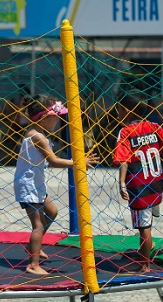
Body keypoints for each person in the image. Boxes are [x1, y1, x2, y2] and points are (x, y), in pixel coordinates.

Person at [14, 95, 99, 275]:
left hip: (35, 184)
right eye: (55, 116)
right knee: (37, 225)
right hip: (28, 186)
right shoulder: (37, 137)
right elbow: (53, 161)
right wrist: (78, 162)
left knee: (52, 212)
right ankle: (33, 264)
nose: (58, 119)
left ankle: (33, 246)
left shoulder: (38, 133)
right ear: (44, 117)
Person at [113, 94, 163, 272]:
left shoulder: (125, 132)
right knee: (148, 218)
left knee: (144, 227)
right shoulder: (154, 127)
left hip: (139, 187)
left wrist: (121, 184)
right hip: (156, 183)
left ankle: (145, 264)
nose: (117, 113)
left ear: (126, 111)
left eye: (119, 110)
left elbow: (124, 160)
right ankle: (145, 253)